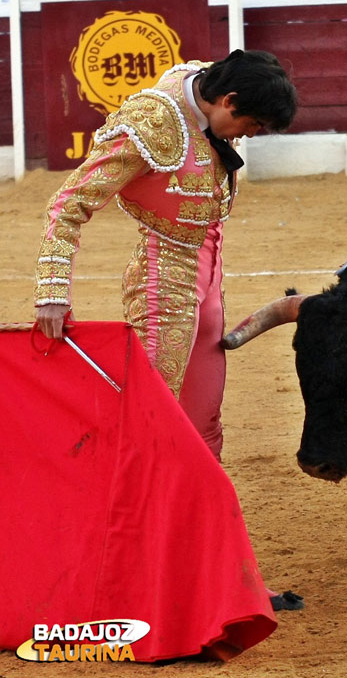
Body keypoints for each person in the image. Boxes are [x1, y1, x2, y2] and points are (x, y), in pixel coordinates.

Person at [34, 49, 301, 612]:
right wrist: (53, 290)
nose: (248, 137)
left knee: (202, 432)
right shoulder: (150, 123)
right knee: (150, 432)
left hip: (208, 277)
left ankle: (221, 575)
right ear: (227, 102)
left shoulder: (201, 93)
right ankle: (118, 574)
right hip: (164, 286)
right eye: (250, 125)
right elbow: (69, 203)